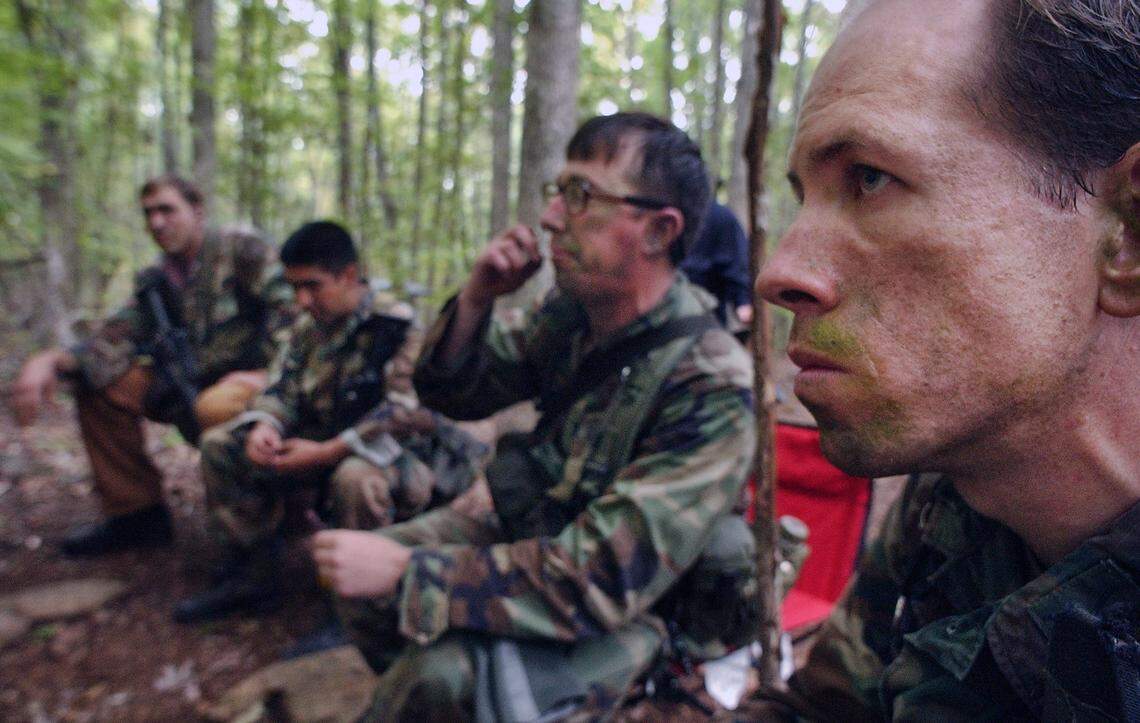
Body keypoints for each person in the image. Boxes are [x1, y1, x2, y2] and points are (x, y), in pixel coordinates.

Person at [749, 0, 1140, 718]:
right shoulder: (960, 494)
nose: (780, 272)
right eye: (806, 197)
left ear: (1128, 236)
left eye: (868, 177)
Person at [310, 112, 757, 720]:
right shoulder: (574, 313)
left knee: (440, 675)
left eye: (581, 196)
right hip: (543, 536)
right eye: (559, 192)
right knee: (361, 582)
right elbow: (455, 393)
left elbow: (602, 580)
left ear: (658, 231)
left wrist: (415, 573)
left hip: (645, 607)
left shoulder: (710, 384)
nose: (550, 218)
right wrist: (478, 297)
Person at [174, 221, 487, 624]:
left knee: (355, 479)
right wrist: (266, 425)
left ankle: (358, 611)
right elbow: (281, 387)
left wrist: (326, 453)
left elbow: (403, 411)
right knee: (220, 445)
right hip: (323, 443)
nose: (302, 300)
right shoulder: (308, 330)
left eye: (313, 286)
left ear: (349, 276)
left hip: (397, 455)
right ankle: (252, 577)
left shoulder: (395, 324)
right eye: (294, 288)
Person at [9, 175, 291, 556]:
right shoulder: (157, 282)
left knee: (216, 406)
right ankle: (136, 516)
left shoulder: (242, 250)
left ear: (197, 211)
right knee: (100, 381)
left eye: (167, 210)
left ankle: (267, 520)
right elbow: (112, 337)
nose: (157, 222)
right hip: (187, 384)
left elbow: (296, 316)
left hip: (255, 387)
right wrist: (49, 360)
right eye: (149, 214)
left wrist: (268, 374)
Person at [681, 198, 753, 330]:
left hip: (705, 320)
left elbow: (736, 266)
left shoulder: (720, 216)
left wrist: (743, 301)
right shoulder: (649, 214)